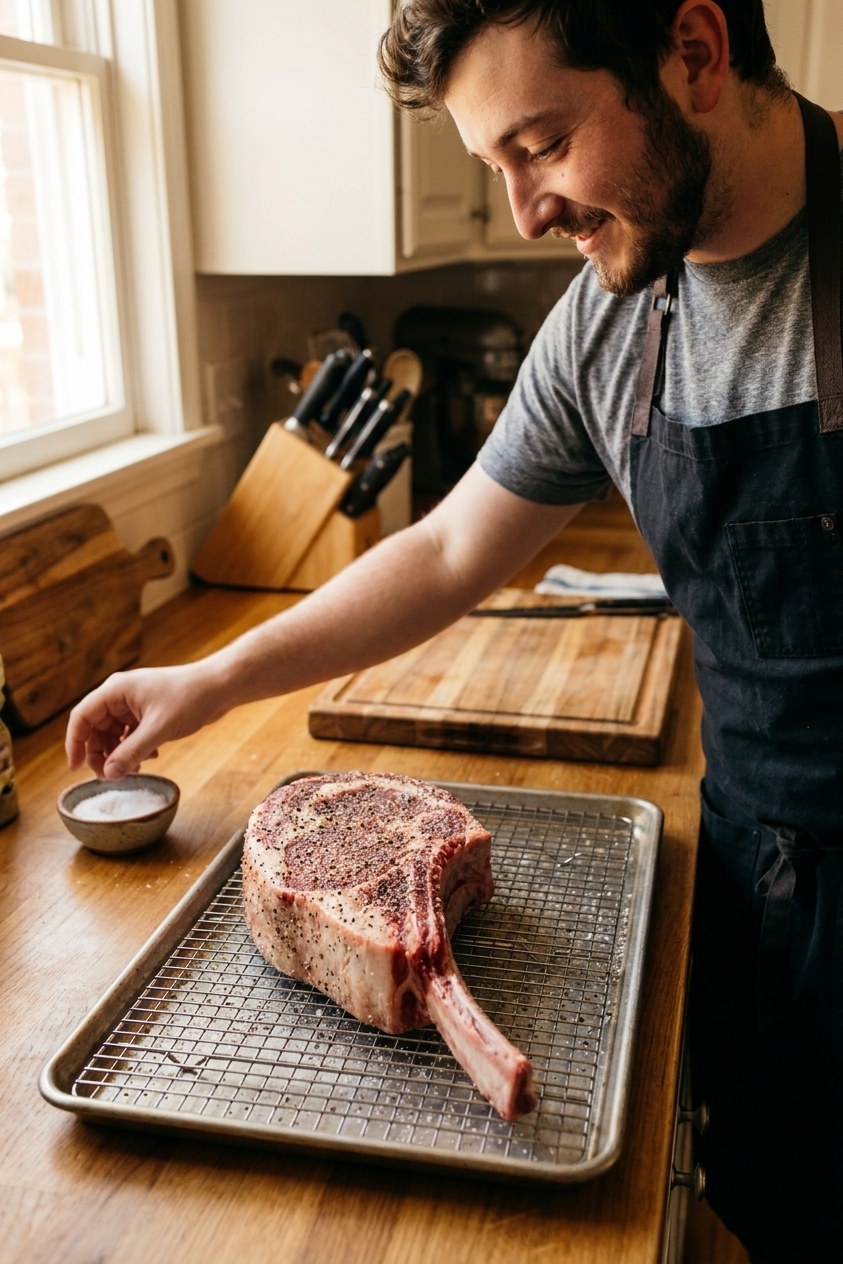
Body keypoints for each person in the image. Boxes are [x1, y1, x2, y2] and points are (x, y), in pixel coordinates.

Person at [66, 3, 843, 1258]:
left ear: (694, 54)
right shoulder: (608, 316)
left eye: (542, 144)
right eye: (498, 169)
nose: (528, 210)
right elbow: (444, 548)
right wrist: (210, 678)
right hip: (759, 865)